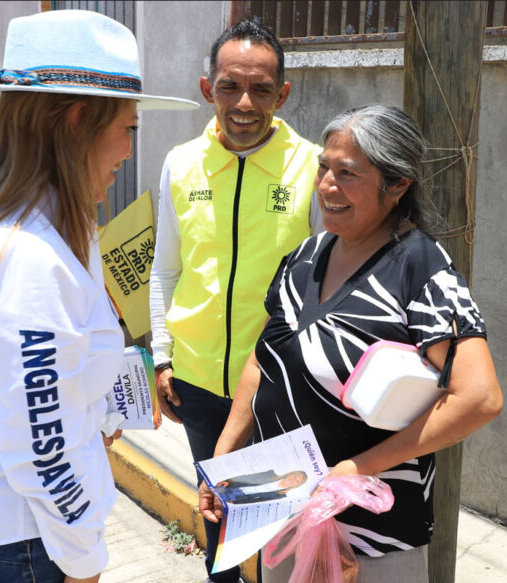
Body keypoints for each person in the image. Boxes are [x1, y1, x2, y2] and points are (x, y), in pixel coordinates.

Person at [0, 11, 196, 583]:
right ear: (76, 121)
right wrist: (84, 560)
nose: (126, 150)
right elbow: (42, 449)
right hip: (21, 543)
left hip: (3, 532)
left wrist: (97, 410)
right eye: (128, 129)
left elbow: (39, 396)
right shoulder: (24, 255)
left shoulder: (28, 226)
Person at [198, 104, 503, 582]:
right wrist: (224, 457)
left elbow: (479, 398)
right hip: (284, 506)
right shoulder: (304, 256)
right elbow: (264, 359)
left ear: (397, 184)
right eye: (323, 167)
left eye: (347, 174)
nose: (326, 186)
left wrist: (359, 466)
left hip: (374, 534)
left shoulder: (420, 269)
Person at [148, 19, 323, 583]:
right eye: (229, 87)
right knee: (219, 519)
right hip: (197, 383)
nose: (244, 103)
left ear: (283, 95)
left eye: (261, 90)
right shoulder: (180, 163)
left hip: (278, 389)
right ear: (208, 90)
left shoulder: (312, 168)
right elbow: (167, 269)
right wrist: (163, 354)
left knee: (283, 530)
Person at [212, 470, 307, 505]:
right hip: (233, 486)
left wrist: (237, 502)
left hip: (237, 498)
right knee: (209, 495)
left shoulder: (280, 496)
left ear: (296, 486)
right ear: (290, 474)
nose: (293, 480)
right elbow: (248, 476)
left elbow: (257, 501)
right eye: (294, 476)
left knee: (214, 507)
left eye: (297, 481)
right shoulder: (270, 474)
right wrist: (229, 480)